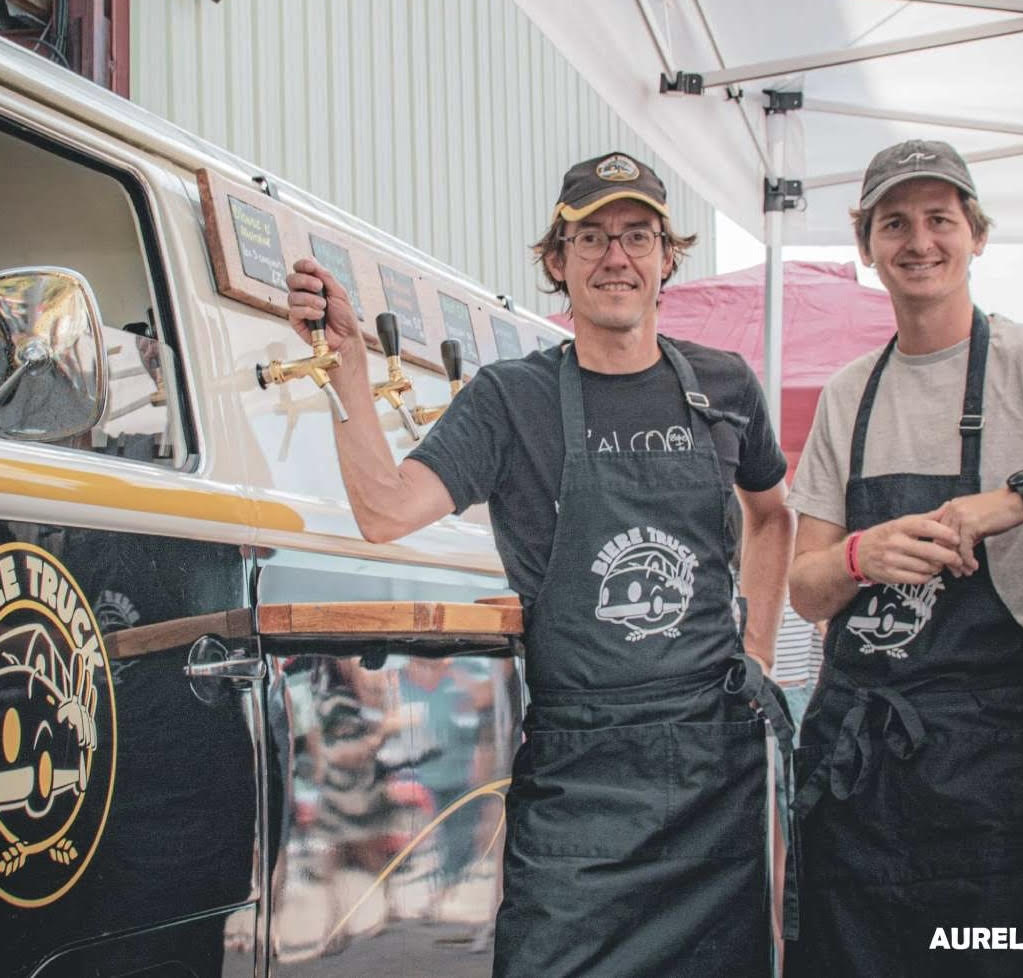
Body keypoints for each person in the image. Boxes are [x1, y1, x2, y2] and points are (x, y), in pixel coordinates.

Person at [286, 152, 795, 976]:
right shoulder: (507, 399)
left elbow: (774, 516)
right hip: (580, 773)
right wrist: (345, 363)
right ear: (556, 262)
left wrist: (761, 654)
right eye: (589, 237)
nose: (615, 257)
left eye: (637, 236)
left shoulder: (724, 385)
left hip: (714, 767)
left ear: (669, 257)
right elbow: (384, 510)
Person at [784, 140, 1023, 976]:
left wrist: (1013, 499)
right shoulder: (849, 393)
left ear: (977, 235)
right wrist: (860, 552)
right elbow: (807, 592)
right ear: (866, 245)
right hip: (860, 771)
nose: (918, 241)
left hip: (993, 766)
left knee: (982, 956)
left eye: (940, 219)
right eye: (895, 223)